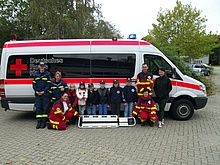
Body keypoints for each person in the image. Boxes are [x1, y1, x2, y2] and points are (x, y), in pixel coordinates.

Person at [32, 60, 51, 129]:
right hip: (38, 94)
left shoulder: (47, 74)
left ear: (44, 67)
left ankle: (43, 122)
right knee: (38, 108)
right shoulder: (36, 74)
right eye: (41, 66)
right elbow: (34, 84)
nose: (42, 68)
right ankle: (38, 122)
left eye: (43, 66)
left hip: (45, 94)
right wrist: (36, 91)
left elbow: (48, 84)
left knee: (45, 108)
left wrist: (44, 91)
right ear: (39, 66)